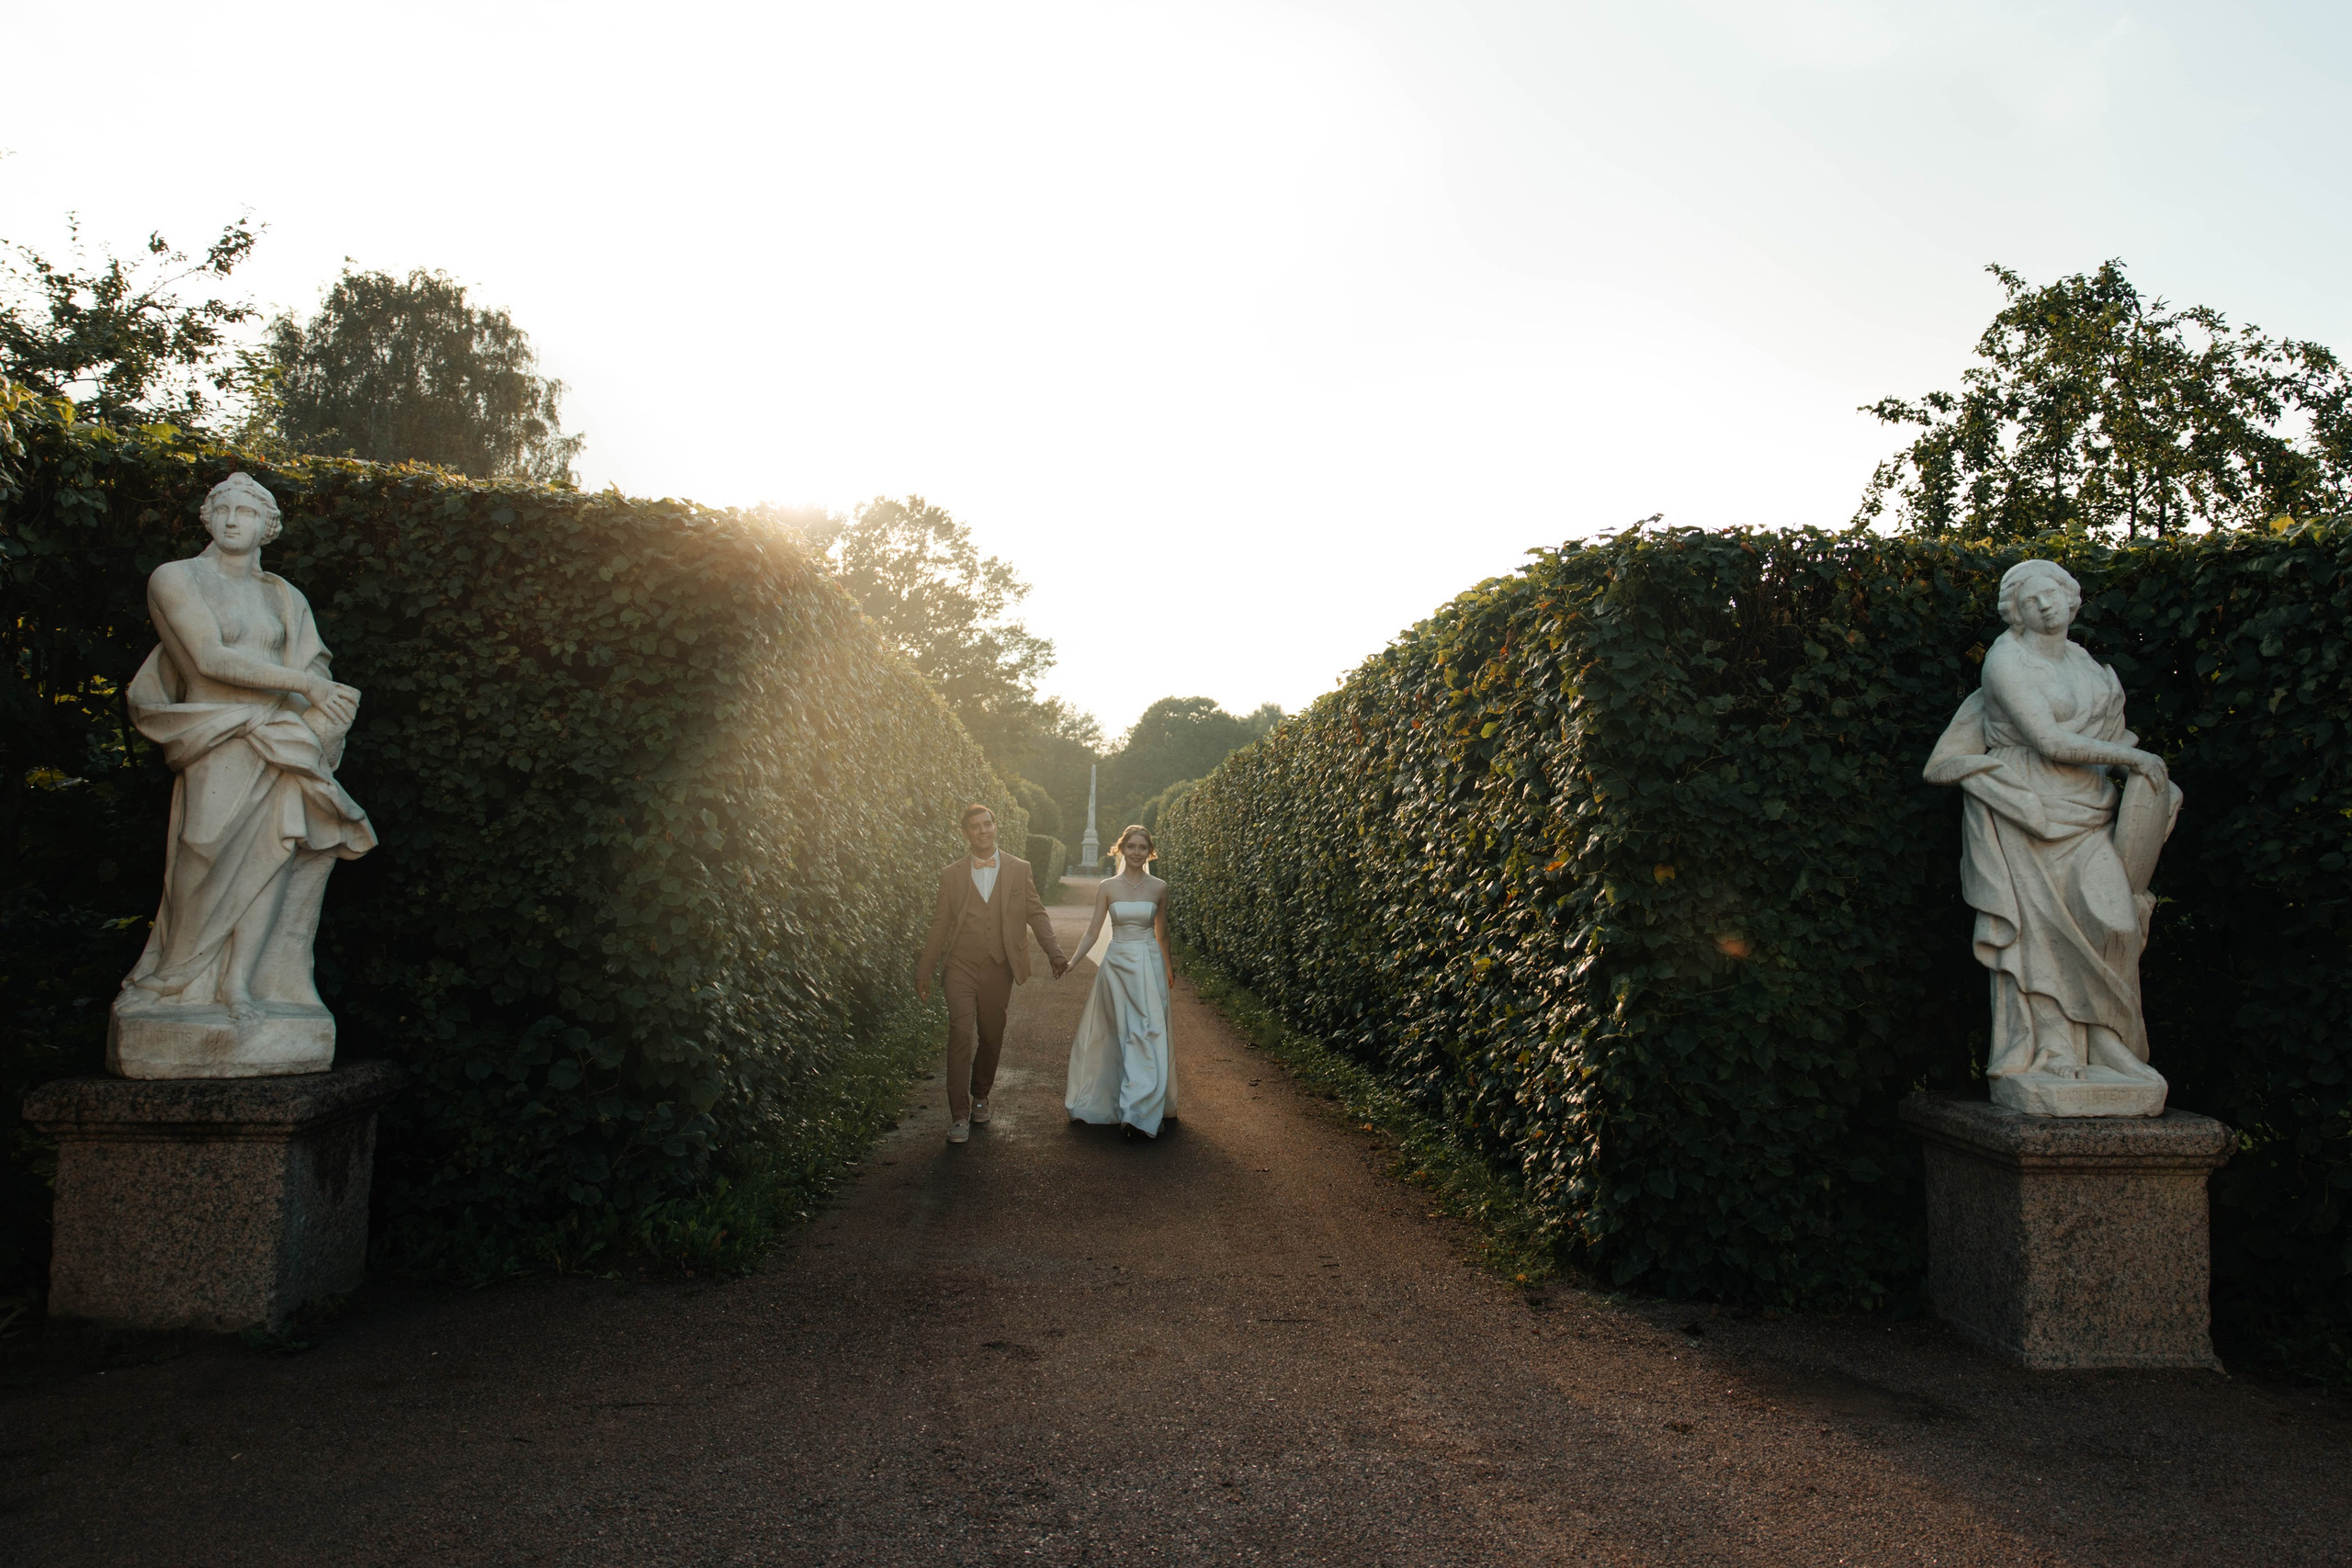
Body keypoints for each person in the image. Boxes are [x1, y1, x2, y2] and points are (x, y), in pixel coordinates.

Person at [111, 471, 377, 1076]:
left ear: (266, 525)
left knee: (275, 854)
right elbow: (209, 658)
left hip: (282, 738)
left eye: (247, 511)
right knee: (201, 850)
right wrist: (305, 685)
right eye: (223, 509)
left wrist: (328, 705)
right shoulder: (177, 578)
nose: (234, 519)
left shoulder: (284, 597)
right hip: (218, 732)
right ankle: (174, 976)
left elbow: (314, 665)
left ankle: (239, 984)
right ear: (208, 518)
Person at [1924, 558, 2181, 1114]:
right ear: (2014, 614)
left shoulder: (2088, 666)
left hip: (2089, 806)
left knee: (2111, 916)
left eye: (2053, 595)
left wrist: (2153, 796)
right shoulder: (2006, 659)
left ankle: (2109, 1042)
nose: (2045, 607)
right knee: (2040, 932)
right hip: (2027, 807)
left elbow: (2109, 735)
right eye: (2030, 601)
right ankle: (2054, 1049)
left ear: (2072, 599)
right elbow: (2049, 740)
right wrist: (2134, 758)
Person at [915, 805, 1069, 1144]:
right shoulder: (951, 874)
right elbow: (941, 924)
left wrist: (1055, 953)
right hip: (960, 965)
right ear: (966, 833)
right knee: (960, 1033)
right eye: (975, 827)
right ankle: (958, 1116)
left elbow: (1037, 913)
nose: (982, 831)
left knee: (991, 1032)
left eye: (987, 824)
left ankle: (981, 1094)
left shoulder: (1019, 868)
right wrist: (924, 969)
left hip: (999, 966)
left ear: (995, 827)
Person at [1064, 823, 1177, 1139]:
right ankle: (1114, 1103)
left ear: (1149, 852)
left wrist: (1168, 966)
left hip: (1149, 963)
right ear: (1121, 849)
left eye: (1143, 848)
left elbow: (1162, 933)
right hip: (1116, 965)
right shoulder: (1108, 887)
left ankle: (1139, 1113)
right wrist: (1073, 961)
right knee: (1119, 1033)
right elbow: (1092, 931)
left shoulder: (1160, 888)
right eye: (1131, 847)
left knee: (1148, 1032)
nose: (1137, 853)